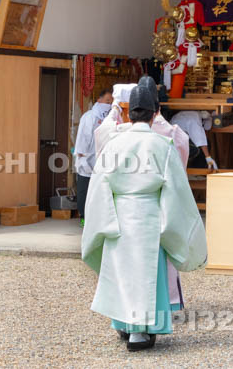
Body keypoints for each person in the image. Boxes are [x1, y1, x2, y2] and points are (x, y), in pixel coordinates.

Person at [82, 80, 207, 352]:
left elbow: (99, 185)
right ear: (153, 114)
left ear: (129, 113)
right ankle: (143, 331)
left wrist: (100, 222)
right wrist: (176, 224)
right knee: (148, 274)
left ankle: (124, 325)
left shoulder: (114, 143)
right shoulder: (162, 144)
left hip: (119, 215)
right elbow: (176, 189)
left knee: (121, 273)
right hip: (150, 214)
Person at [73, 88, 112, 227]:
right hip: (87, 160)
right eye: (107, 101)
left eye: (111, 102)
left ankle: (97, 218)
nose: (109, 104)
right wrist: (82, 155)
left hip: (102, 161)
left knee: (99, 191)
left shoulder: (108, 118)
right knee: (85, 189)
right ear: (99, 100)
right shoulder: (89, 117)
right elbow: (83, 138)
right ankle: (84, 217)